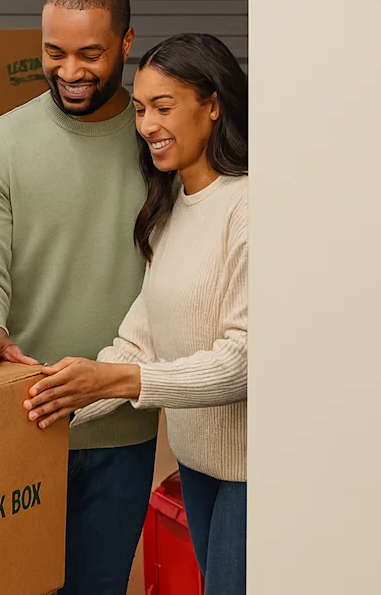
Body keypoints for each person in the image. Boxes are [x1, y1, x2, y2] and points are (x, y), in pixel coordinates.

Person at [0, 0, 161, 594]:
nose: (70, 70)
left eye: (90, 53)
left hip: (122, 425)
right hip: (21, 420)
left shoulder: (159, 149)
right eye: (53, 52)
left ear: (126, 43)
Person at [22, 32, 249, 594]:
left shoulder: (250, 207)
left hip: (253, 473)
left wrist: (118, 380)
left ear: (214, 104)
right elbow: (137, 341)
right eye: (142, 109)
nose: (147, 125)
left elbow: (244, 360)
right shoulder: (170, 209)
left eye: (164, 107)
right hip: (199, 465)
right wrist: (51, 400)